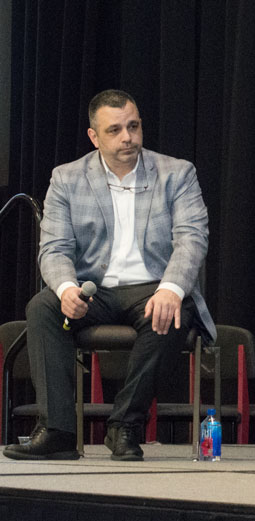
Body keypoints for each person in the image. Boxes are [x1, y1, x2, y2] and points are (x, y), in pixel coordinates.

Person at [3, 89, 215, 462]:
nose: (128, 137)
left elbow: (192, 239)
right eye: (115, 130)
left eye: (133, 127)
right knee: (43, 306)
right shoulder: (67, 178)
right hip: (93, 288)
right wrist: (67, 288)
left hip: (151, 286)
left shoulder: (176, 173)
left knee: (172, 310)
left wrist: (171, 288)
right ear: (94, 136)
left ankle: (125, 426)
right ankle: (58, 430)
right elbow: (54, 248)